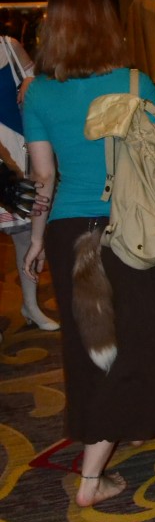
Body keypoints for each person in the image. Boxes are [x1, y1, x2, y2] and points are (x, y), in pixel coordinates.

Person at [22, 0, 155, 508]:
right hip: (130, 230)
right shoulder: (137, 84)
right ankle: (91, 479)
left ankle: (124, 425)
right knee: (135, 341)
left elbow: (44, 178)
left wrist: (36, 240)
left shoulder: (38, 93)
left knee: (91, 346)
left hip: (70, 232)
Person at [0, 30, 59, 331]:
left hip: (15, 153)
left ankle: (31, 305)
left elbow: (43, 84)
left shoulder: (9, 46)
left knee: (25, 234)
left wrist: (31, 81)